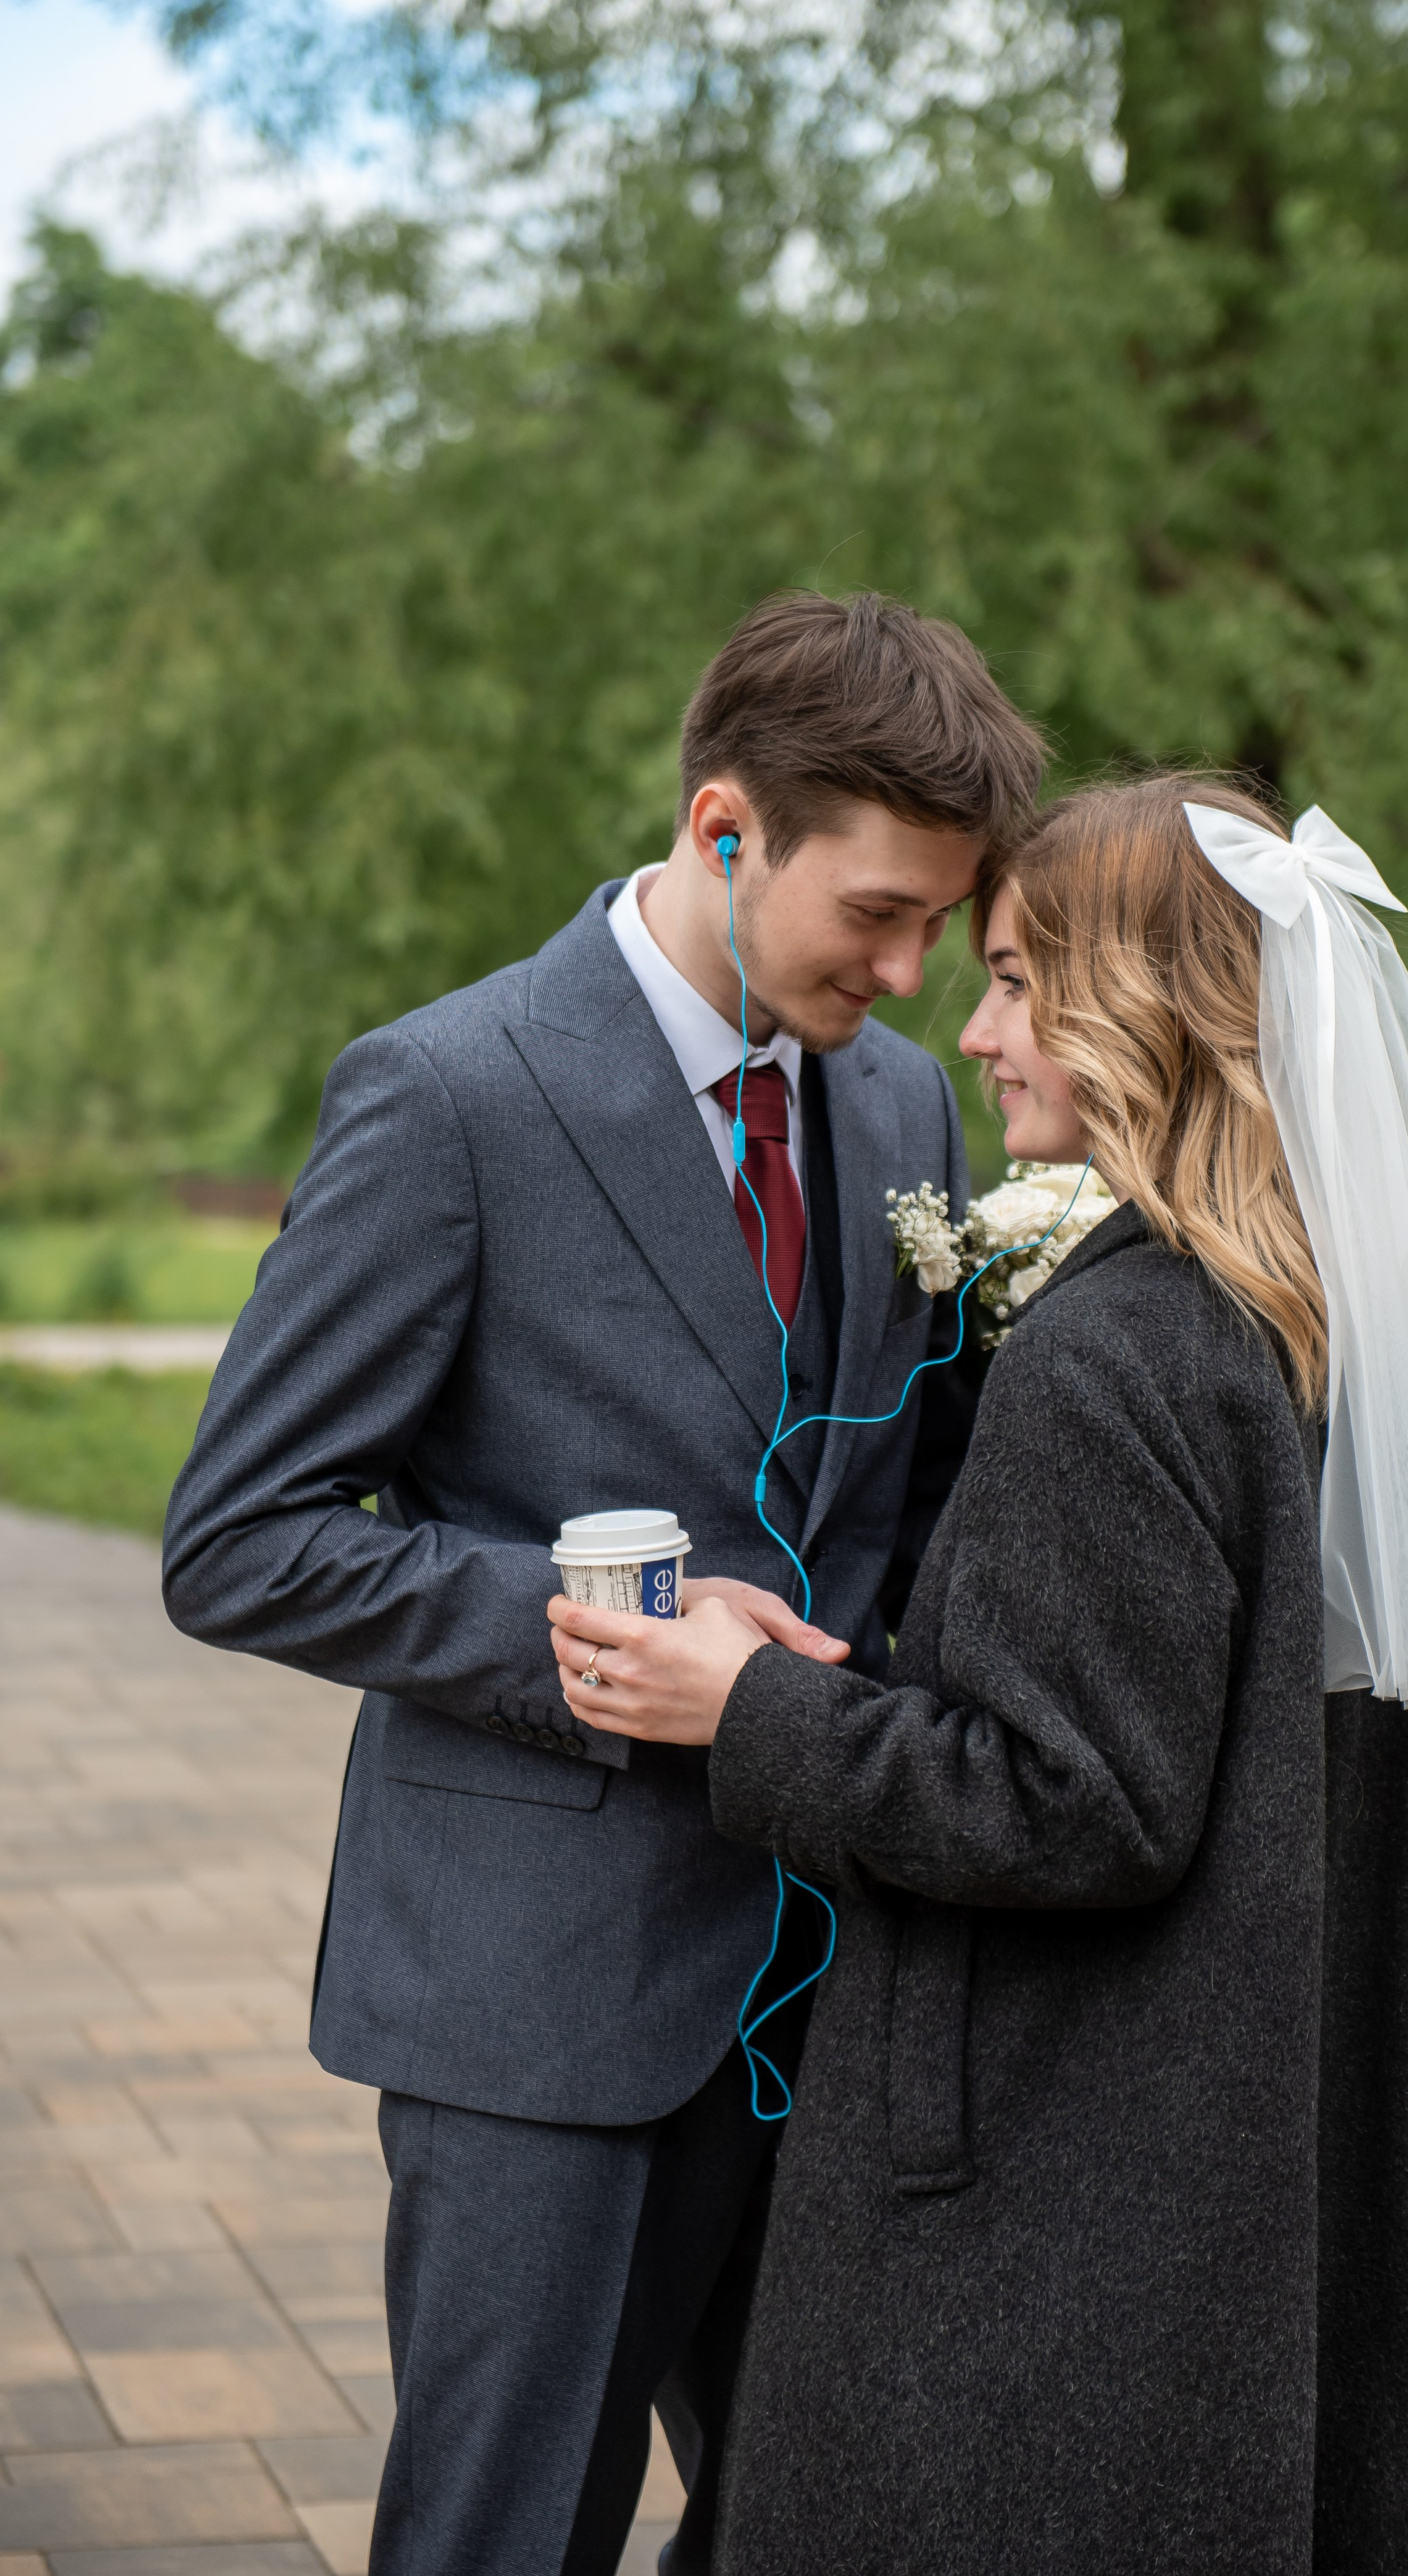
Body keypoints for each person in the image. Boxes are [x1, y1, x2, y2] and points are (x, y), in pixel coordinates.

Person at [553, 771, 1408, 2575]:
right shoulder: (1303, 1334)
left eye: (1023, 978)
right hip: (1221, 2155)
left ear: (1154, 1008)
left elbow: (1069, 1800)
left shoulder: (1116, 1355)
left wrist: (746, 1705)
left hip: (1053, 2189)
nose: (969, 1028)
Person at [161, 590, 1046, 2576]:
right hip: (533, 2000)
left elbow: (902, 1487)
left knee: (825, 2525)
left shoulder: (892, 1102)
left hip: (833, 1970)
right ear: (727, 829)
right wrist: (601, 1648)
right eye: (878, 915)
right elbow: (239, 1537)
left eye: (938, 925)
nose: (909, 973)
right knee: (508, 2536)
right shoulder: (449, 1094)